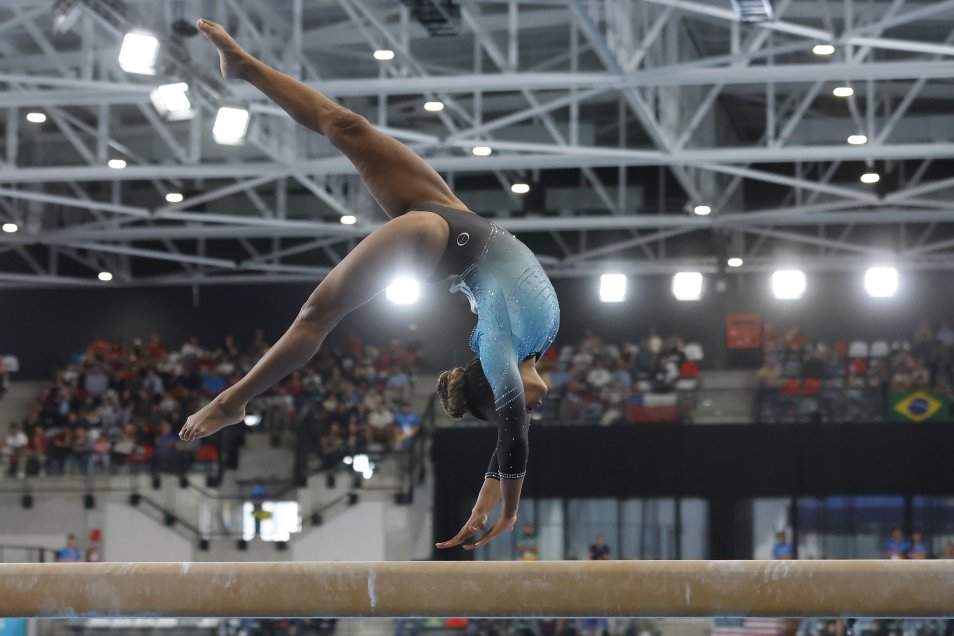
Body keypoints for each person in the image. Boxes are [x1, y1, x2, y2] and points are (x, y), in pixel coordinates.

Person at [178, 20, 559, 551]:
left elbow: (511, 434)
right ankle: (244, 67)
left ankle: (232, 401)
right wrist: (498, 498)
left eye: (508, 404)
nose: (528, 409)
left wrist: (498, 509)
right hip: (454, 216)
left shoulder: (500, 351)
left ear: (495, 389)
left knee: (318, 314)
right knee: (346, 126)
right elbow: (512, 433)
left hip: (436, 238)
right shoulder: (533, 345)